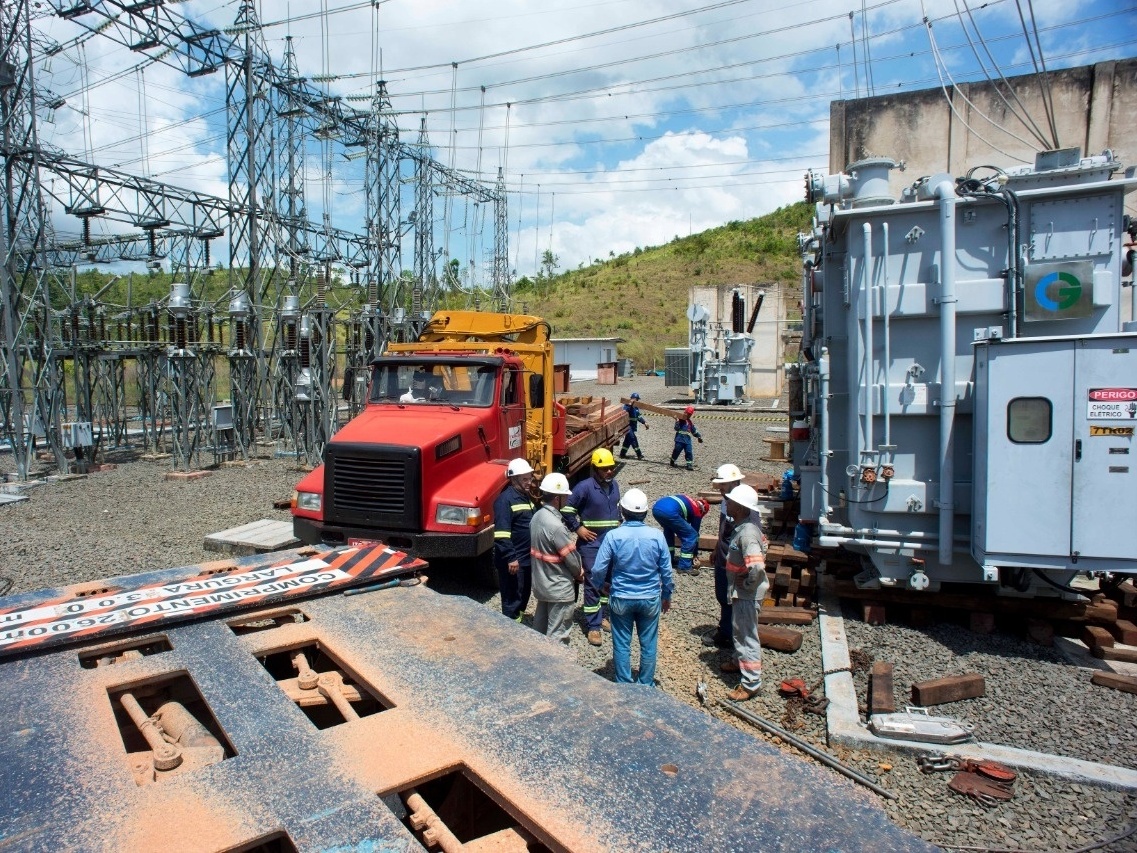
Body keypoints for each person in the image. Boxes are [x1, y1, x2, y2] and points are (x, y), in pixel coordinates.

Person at [591, 488, 672, 685]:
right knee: (649, 644)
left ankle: (624, 683)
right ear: (645, 512)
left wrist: (602, 585)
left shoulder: (613, 536)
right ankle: (645, 683)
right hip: (650, 597)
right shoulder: (657, 536)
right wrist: (666, 595)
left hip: (621, 597)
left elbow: (598, 568)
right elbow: (667, 572)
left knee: (621, 643)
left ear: (622, 512)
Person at [562, 447, 621, 646]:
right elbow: (567, 510)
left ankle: (603, 615)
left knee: (608, 582)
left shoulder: (615, 487)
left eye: (611, 467)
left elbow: (617, 512)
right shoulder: (584, 488)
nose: (609, 471)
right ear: (595, 469)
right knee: (593, 584)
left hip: (611, 544)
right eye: (605, 469)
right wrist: (578, 529)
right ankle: (593, 626)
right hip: (591, 545)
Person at [718, 484, 770, 701]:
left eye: (729, 502)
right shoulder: (744, 528)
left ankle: (750, 683)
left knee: (746, 636)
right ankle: (738, 661)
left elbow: (757, 567)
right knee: (739, 630)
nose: (726, 504)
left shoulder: (747, 533)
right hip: (741, 592)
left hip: (746, 594)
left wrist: (747, 585)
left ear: (739, 507)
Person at [529, 473, 583, 644]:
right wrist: (579, 572)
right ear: (557, 498)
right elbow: (572, 559)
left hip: (542, 585)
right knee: (558, 636)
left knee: (540, 632)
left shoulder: (537, 517)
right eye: (565, 496)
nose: (567, 499)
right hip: (559, 588)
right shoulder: (556, 526)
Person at [703, 463, 745, 649]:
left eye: (723, 484)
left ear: (734, 482)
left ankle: (730, 635)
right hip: (722, 556)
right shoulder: (724, 502)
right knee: (722, 596)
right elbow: (723, 529)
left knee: (732, 598)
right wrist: (716, 548)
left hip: (735, 560)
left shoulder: (745, 504)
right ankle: (726, 629)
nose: (719, 488)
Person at [493, 458, 536, 622]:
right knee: (512, 598)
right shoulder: (505, 500)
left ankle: (517, 623)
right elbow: (502, 534)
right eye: (525, 479)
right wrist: (511, 557)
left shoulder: (525, 497)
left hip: (525, 560)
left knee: (523, 594)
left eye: (530, 478)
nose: (529, 482)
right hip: (513, 562)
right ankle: (510, 628)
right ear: (513, 479)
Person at [650, 493, 710, 576]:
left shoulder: (688, 499)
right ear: (703, 510)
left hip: (656, 508)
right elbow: (695, 534)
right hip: (670, 512)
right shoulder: (697, 511)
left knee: (669, 531)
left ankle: (668, 559)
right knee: (691, 535)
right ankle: (684, 566)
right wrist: (694, 554)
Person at [670, 406, 703, 470]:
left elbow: (694, 431)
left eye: (690, 414)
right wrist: (676, 420)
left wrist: (699, 436)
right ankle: (672, 461)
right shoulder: (680, 420)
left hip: (687, 440)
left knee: (689, 452)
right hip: (679, 439)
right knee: (676, 451)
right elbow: (676, 428)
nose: (688, 415)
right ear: (685, 412)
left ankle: (689, 464)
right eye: (687, 413)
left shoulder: (690, 423)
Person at [619, 393, 649, 459]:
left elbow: (638, 416)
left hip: (632, 427)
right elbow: (624, 411)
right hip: (627, 426)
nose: (638, 401)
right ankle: (639, 454)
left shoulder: (636, 407)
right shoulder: (627, 405)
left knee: (627, 441)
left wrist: (644, 423)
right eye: (637, 399)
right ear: (633, 399)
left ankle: (622, 454)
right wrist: (630, 405)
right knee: (633, 439)